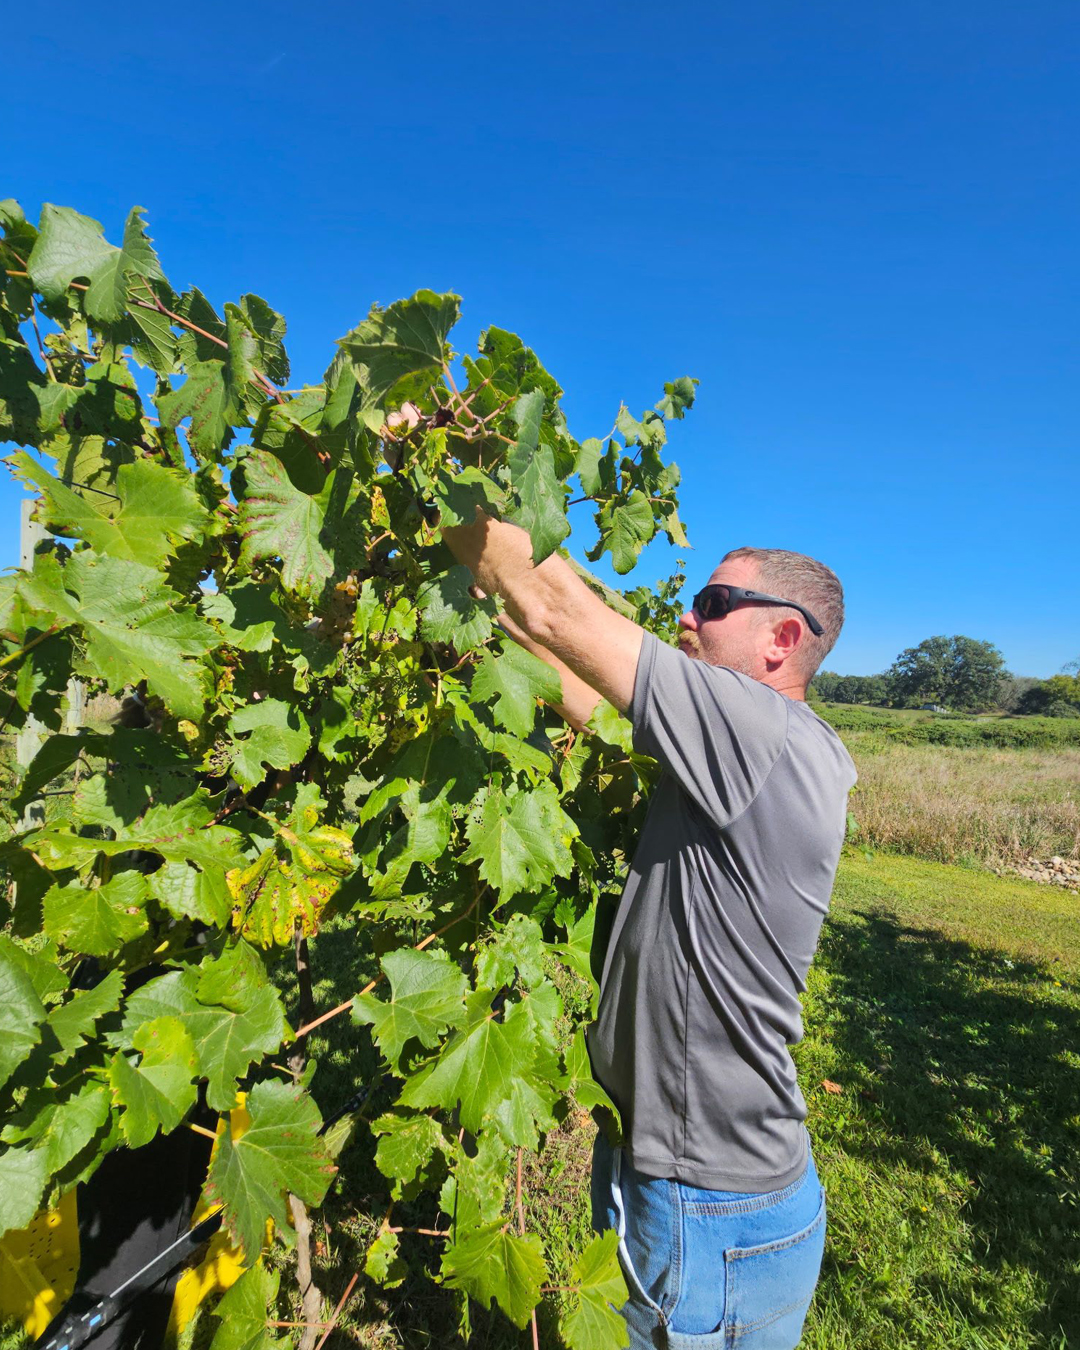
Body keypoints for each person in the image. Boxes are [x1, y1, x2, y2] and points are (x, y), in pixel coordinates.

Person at [442, 514, 857, 1350]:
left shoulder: (762, 734)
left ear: (783, 636)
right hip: (716, 1194)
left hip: (707, 1204)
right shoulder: (749, 746)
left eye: (712, 602)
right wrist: (466, 631)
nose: (686, 618)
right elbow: (584, 691)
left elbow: (560, 610)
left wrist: (440, 468)